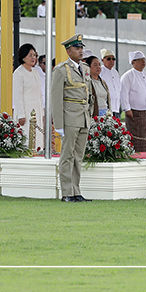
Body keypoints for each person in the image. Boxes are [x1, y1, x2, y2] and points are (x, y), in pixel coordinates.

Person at [51, 34, 94, 203]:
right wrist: (58, 124)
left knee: (78, 156)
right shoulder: (61, 70)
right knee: (67, 155)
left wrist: (89, 115)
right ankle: (67, 191)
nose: (81, 51)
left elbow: (88, 94)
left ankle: (76, 190)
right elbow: (56, 98)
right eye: (77, 48)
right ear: (69, 51)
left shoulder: (84, 68)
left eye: (81, 47)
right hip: (69, 117)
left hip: (83, 117)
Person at [121, 50, 146, 152]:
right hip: (135, 112)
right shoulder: (127, 76)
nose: (143, 62)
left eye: (144, 60)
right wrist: (127, 108)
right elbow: (124, 93)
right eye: (140, 60)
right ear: (133, 62)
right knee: (137, 136)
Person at [12, 43, 44, 151]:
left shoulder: (35, 72)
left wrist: (42, 112)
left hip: (37, 112)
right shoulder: (18, 73)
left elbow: (39, 94)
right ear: (23, 56)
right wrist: (21, 114)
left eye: (35, 55)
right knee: (26, 140)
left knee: (38, 140)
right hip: (25, 113)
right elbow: (17, 96)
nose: (33, 58)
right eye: (30, 55)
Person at [98, 50, 122, 116]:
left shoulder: (115, 72)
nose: (111, 61)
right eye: (108, 59)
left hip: (116, 106)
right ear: (102, 60)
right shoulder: (100, 71)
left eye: (113, 59)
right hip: (105, 107)